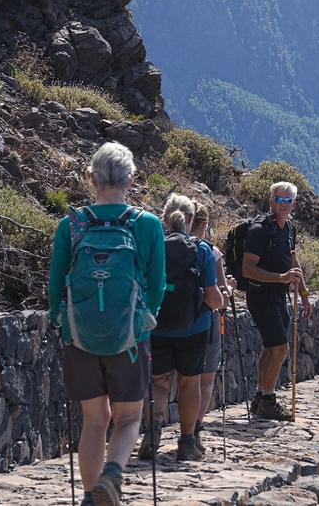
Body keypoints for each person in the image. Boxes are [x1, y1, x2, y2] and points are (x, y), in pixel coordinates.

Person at [47, 142, 166, 506]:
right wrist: (145, 321)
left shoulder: (71, 225)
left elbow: (55, 285)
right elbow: (157, 283)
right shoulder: (146, 224)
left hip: (80, 336)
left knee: (94, 420)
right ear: (131, 179)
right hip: (129, 336)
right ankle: (112, 474)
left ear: (92, 179)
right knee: (129, 418)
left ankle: (88, 497)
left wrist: (61, 324)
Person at [140, 194, 223, 462]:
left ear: (165, 218)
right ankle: (187, 444)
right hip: (193, 328)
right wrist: (224, 298)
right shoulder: (202, 250)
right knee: (189, 385)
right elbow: (212, 299)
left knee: (159, 384)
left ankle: (152, 438)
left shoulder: (151, 246)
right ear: (190, 219)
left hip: (156, 327)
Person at [243, 182, 312, 420]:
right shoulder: (259, 230)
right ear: (271, 201)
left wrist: (304, 295)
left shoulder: (288, 228)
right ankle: (269, 401)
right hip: (261, 294)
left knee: (272, 347)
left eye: (288, 200)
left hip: (277, 295)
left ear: (294, 203)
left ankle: (261, 397)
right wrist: (281, 278)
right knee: (281, 348)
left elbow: (294, 263)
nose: (283, 204)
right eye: (279, 200)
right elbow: (247, 269)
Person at [190, 203, 235, 452]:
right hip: (204, 323)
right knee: (204, 382)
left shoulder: (163, 246)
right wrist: (229, 287)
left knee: (163, 383)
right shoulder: (212, 252)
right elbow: (220, 298)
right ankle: (193, 433)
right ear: (205, 225)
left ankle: (153, 435)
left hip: (166, 325)